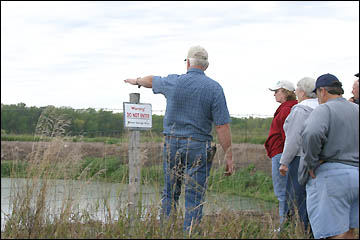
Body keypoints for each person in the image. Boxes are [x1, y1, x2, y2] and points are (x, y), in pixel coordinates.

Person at [124, 45, 234, 233]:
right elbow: (222, 126)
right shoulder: (215, 88)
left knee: (170, 192)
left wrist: (137, 81)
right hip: (199, 146)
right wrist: (229, 154)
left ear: (188, 62)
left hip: (172, 143)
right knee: (194, 196)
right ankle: (190, 233)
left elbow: (152, 80)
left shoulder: (175, 82)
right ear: (206, 66)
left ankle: (165, 231)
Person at [300, 73, 359, 239]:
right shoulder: (356, 109)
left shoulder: (324, 109)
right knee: (349, 230)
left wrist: (311, 163)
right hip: (356, 175)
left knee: (334, 233)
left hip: (332, 178)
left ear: (323, 91)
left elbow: (311, 133)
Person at [278, 77, 318, 234]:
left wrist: (284, 161)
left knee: (297, 196)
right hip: (318, 159)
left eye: (297, 90)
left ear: (302, 92)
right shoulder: (321, 107)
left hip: (299, 158)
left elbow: (294, 138)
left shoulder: (301, 110)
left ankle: (302, 230)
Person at [265, 80, 298, 228]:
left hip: (282, 154)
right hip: (282, 153)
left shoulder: (286, 110)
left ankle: (283, 225)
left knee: (282, 192)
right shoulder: (289, 108)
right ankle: (288, 223)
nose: (274, 94)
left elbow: (288, 136)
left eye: (277, 91)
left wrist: (285, 157)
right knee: (287, 191)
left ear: (285, 92)